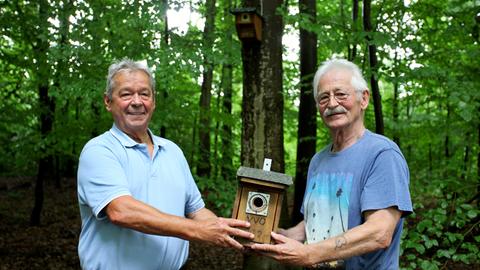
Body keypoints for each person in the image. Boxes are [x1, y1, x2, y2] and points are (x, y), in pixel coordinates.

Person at [77, 58, 253, 270]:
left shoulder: (173, 152)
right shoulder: (99, 150)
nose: (136, 101)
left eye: (144, 93)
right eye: (126, 94)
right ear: (108, 101)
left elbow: (196, 210)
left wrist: (226, 230)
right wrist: (197, 231)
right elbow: (121, 211)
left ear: (153, 101)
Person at [250, 58, 413, 269]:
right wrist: (274, 236)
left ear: (363, 99)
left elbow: (379, 233)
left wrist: (309, 254)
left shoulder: (382, 154)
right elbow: (314, 222)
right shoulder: (318, 161)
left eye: (341, 94)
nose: (332, 104)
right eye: (324, 97)